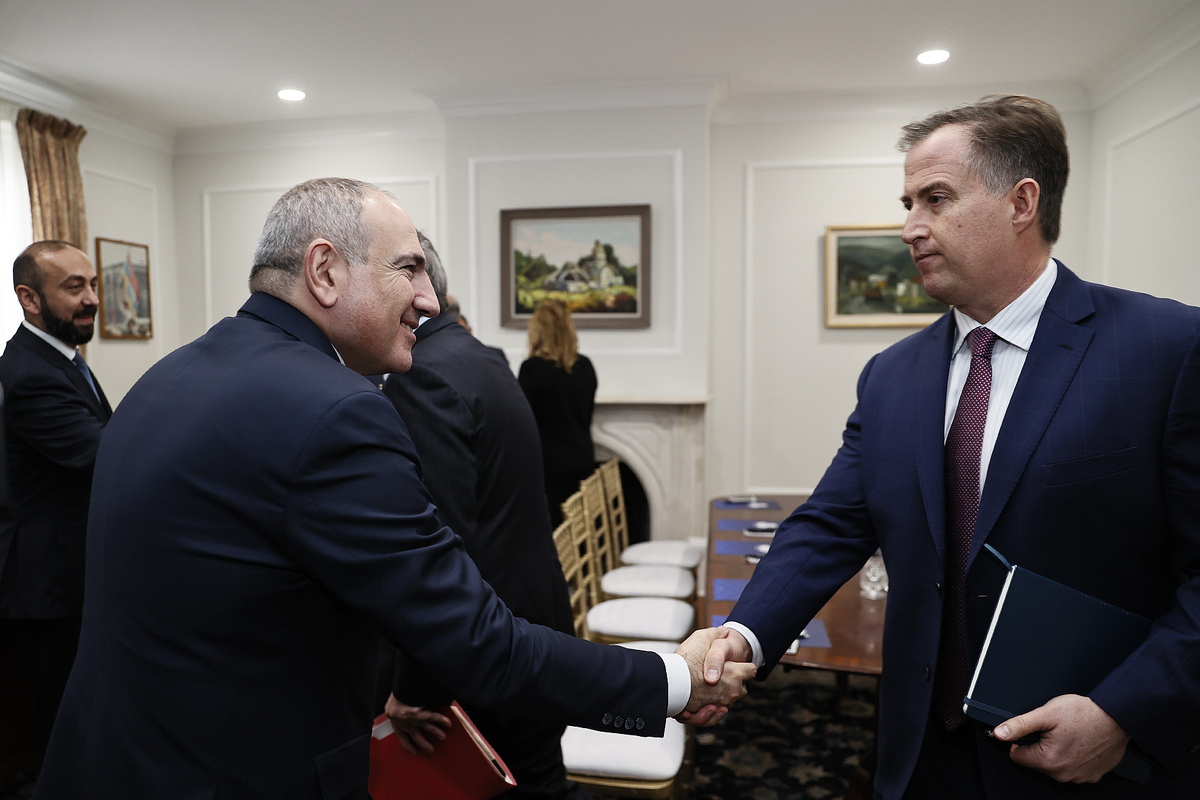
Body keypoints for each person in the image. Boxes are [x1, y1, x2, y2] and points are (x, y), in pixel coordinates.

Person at [35, 178, 753, 800]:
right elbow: (477, 641)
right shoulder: (336, 411)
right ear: (324, 271)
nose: (430, 300)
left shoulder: (169, 374)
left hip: (108, 759)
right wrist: (673, 680)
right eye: (409, 269)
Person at [698, 96, 1200, 798]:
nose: (910, 227)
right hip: (921, 751)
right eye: (908, 203)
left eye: (935, 199)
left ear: (1021, 202)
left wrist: (1123, 712)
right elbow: (830, 525)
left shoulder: (1166, 350)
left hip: (1091, 764)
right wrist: (741, 635)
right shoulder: (892, 375)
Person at [378, 232, 584, 799]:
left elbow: (442, 548)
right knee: (541, 779)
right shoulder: (481, 355)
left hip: (490, 650)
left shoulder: (420, 375)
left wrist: (414, 690)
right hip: (536, 619)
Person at [0, 241, 111, 775]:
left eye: (93, 285)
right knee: (60, 727)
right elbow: (104, 456)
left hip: (69, 575)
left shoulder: (60, 358)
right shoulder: (29, 373)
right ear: (30, 298)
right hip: (49, 586)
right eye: (74, 287)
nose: (91, 299)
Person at [519, 302, 597, 526]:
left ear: (538, 332)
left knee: (554, 532)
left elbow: (524, 423)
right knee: (579, 531)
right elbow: (586, 415)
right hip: (583, 459)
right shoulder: (586, 366)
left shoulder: (531, 369)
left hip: (547, 468)